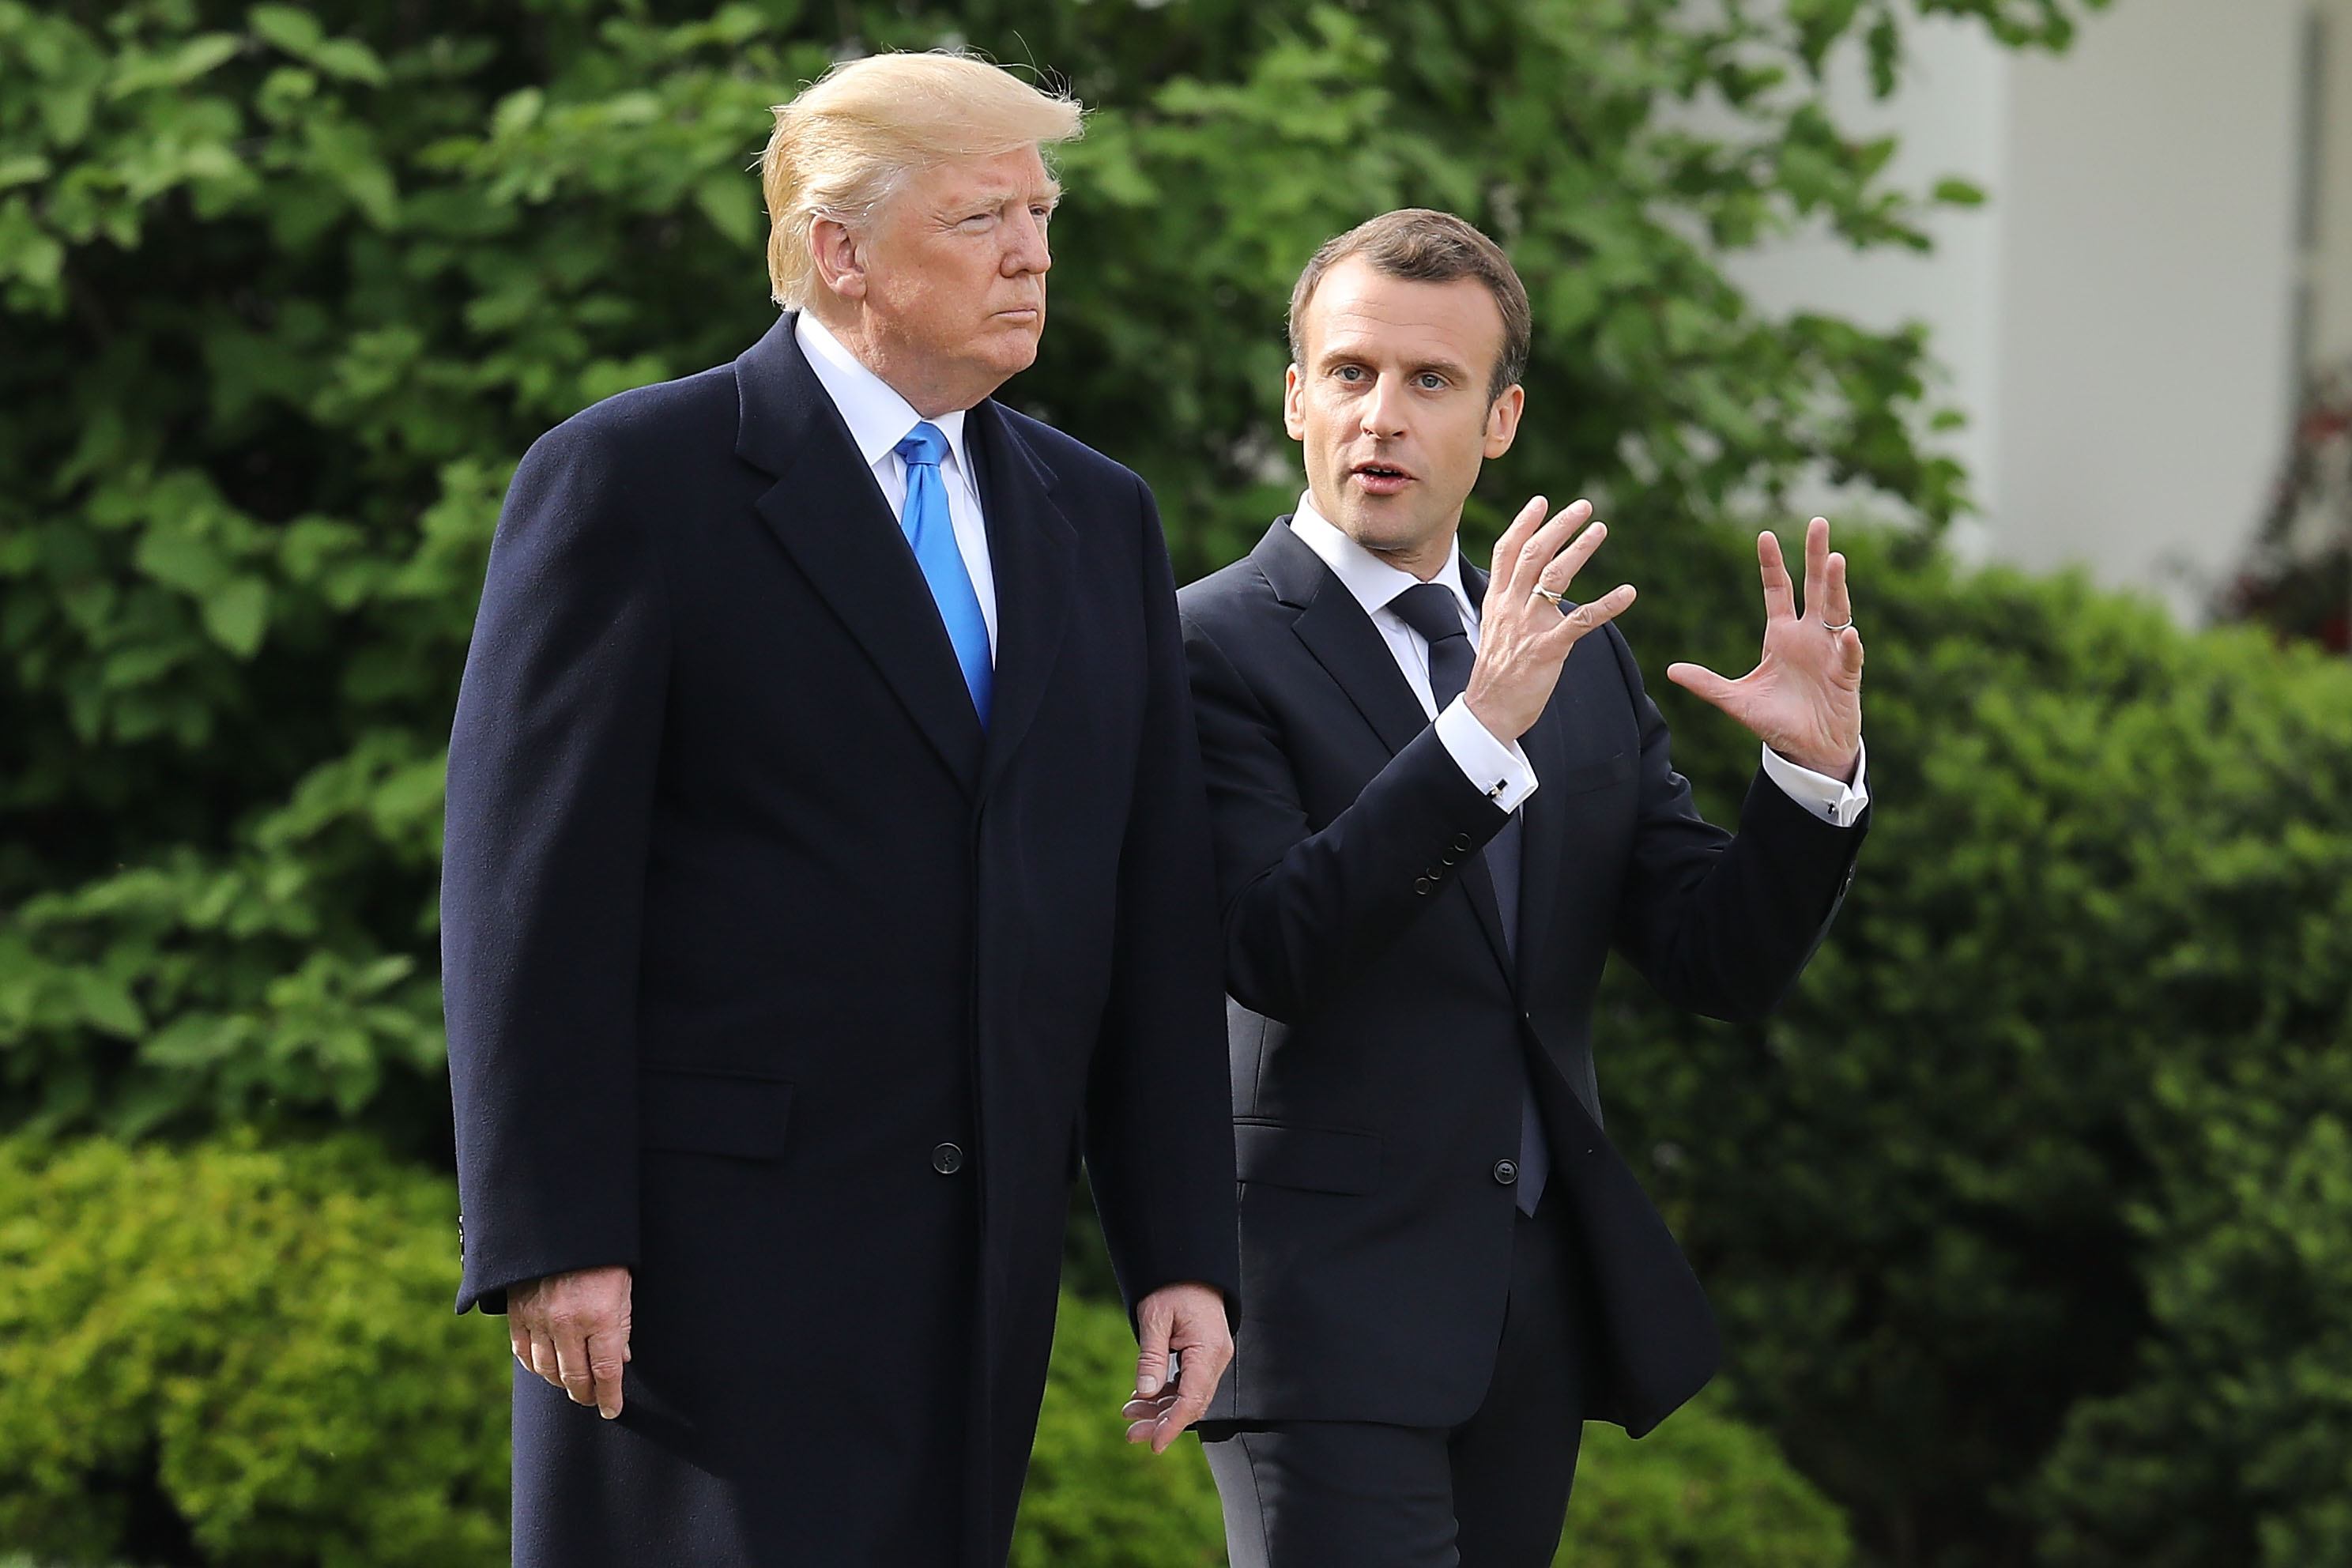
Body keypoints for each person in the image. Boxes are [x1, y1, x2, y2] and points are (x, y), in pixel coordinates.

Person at [442, 52, 1238, 1568]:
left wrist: (1182, 1248)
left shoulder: (1098, 515)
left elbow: (1148, 907)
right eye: (983, 217)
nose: (1031, 255)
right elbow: (528, 890)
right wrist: (553, 1232)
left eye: (1043, 214)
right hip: (697, 1280)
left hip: (976, 1276)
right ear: (839, 251)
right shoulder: (631, 479)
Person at [1175, 209, 1871, 1568]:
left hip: (1531, 1317)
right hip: (1324, 1316)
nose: (1382, 416)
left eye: (1431, 381)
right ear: (1297, 397)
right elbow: (1276, 946)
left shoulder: (1575, 656)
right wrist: (1477, 734)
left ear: (1500, 421)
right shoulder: (1207, 644)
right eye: (1352, 372)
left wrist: (1809, 779)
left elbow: (1714, 962)